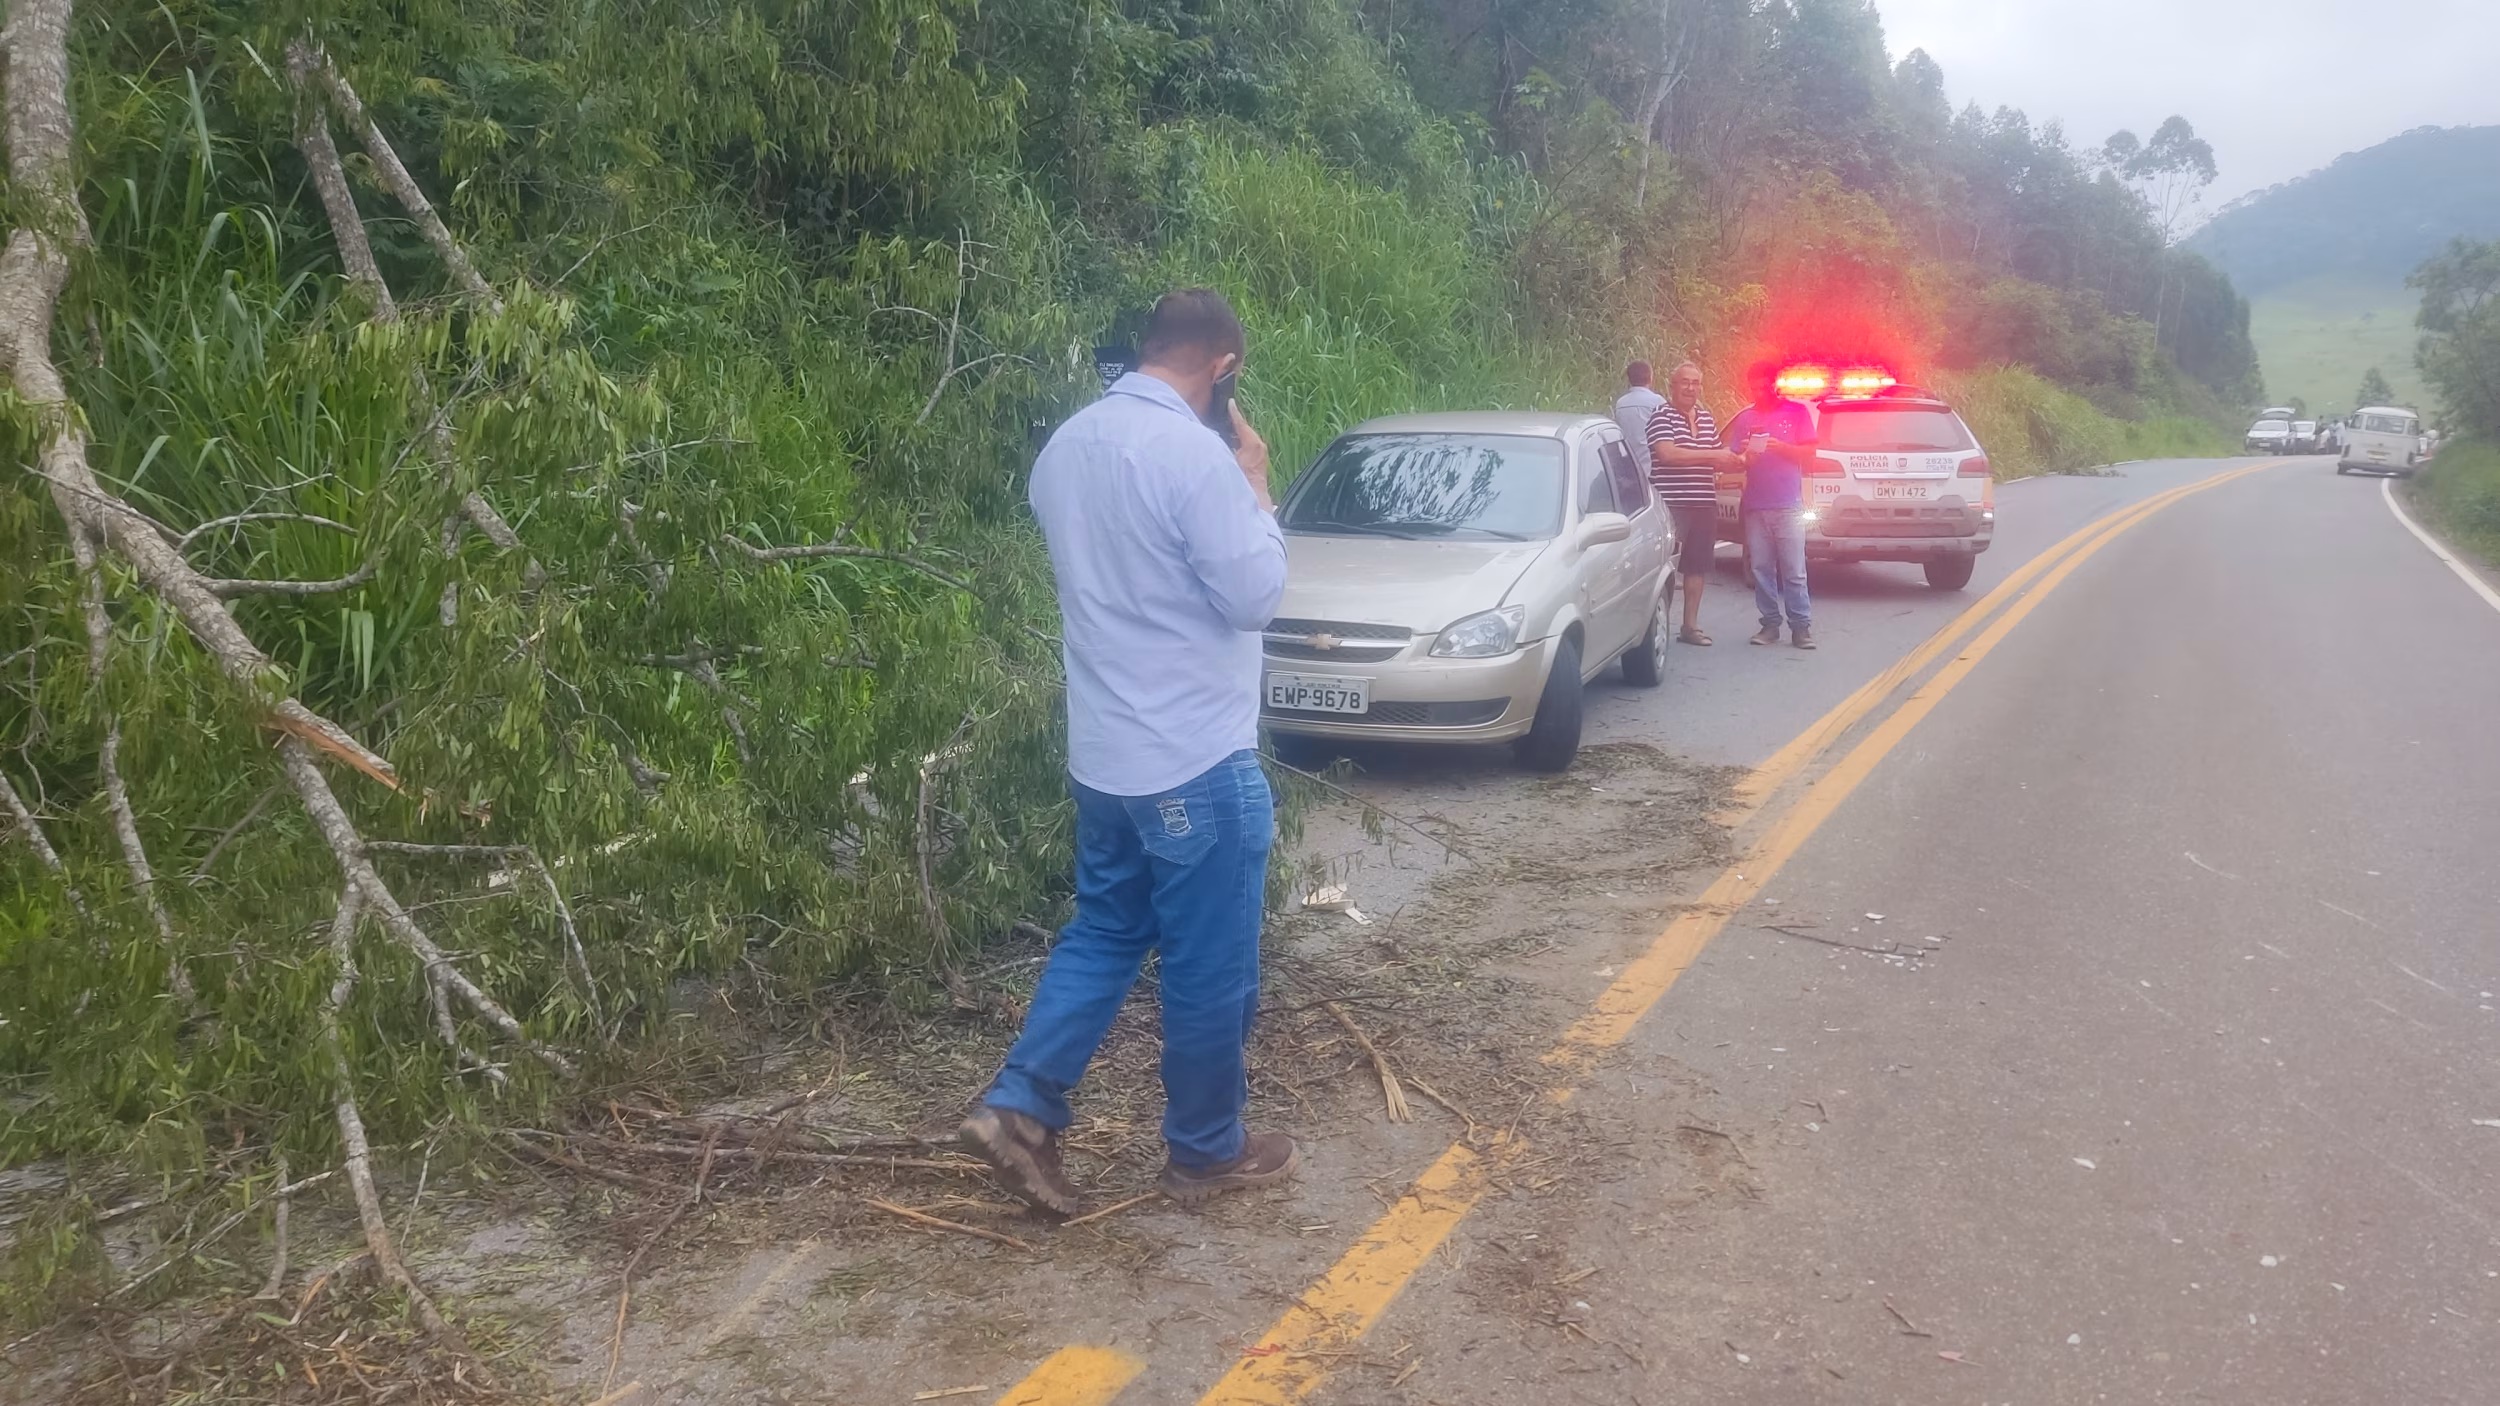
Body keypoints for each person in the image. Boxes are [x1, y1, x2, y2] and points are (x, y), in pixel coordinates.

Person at [959, 289, 1298, 1216]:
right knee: (1207, 961)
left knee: (1105, 930)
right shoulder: (1198, 458)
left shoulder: (1066, 447)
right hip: (1193, 757)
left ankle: (1021, 1108)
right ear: (1223, 367)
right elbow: (1256, 594)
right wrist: (1259, 487)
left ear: (1150, 350)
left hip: (1104, 755)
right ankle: (1204, 1152)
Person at [1722, 360, 1819, 649]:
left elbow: (1811, 452)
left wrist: (1783, 448)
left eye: (1763, 384)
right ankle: (1769, 625)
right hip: (1755, 504)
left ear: (1774, 384)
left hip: (1788, 504)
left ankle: (1801, 628)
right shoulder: (1746, 418)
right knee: (1761, 568)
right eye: (1753, 385)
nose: (1758, 390)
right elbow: (1736, 455)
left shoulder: (1797, 412)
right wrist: (1746, 458)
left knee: (1794, 569)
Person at [1645, 361, 1743, 645]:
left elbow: (1714, 455)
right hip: (1673, 505)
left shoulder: (1706, 417)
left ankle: (1690, 627)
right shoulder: (1661, 416)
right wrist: (1714, 457)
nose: (1690, 388)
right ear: (1672, 386)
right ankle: (1652, 629)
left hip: (1704, 503)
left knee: (1697, 566)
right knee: (1663, 568)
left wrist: (1736, 459)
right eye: (1685, 382)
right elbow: (1667, 455)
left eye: (1695, 383)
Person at [1613, 361, 1666, 459]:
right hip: (1651, 463)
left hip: (1627, 461)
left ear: (1629, 379)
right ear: (1650, 378)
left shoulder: (1621, 403)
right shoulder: (1658, 401)